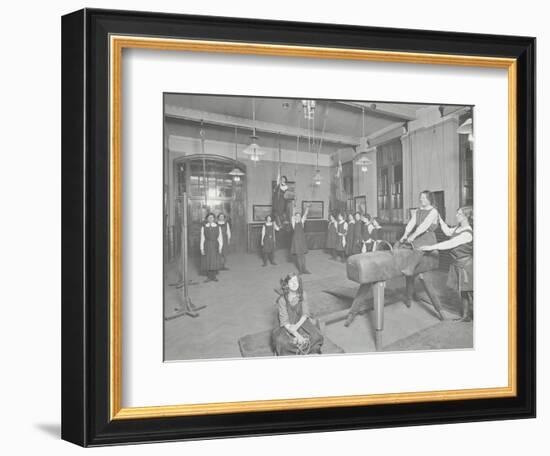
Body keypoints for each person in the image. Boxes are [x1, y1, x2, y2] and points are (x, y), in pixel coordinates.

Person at [419, 206, 474, 321]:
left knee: (470, 291)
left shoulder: (467, 233)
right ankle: (466, 316)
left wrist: (431, 247)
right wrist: (439, 218)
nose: (456, 215)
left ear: (466, 217)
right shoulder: (458, 228)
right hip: (458, 264)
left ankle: (473, 314)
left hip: (466, 265)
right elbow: (447, 231)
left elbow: (449, 244)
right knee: (463, 291)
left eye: (459, 214)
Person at [394, 190, 440, 308]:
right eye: (420, 198)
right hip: (417, 236)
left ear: (430, 199)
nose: (421, 200)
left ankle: (409, 268)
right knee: (403, 246)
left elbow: (424, 226)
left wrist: (413, 236)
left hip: (428, 237)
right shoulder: (418, 211)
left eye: (424, 198)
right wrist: (405, 235)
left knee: (418, 249)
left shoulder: (433, 211)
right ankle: (408, 297)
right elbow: (411, 223)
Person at [272, 273, 324, 356]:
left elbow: (305, 313)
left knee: (316, 336)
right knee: (283, 342)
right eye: (291, 281)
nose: (294, 284)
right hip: (288, 325)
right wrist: (298, 335)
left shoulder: (303, 294)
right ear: (287, 284)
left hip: (301, 321)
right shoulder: (282, 300)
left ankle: (312, 352)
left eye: (296, 281)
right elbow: (285, 322)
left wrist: (296, 326)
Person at [200, 213, 223, 282]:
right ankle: (209, 277)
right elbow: (202, 238)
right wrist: (201, 248)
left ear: (214, 219)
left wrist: (220, 247)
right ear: (207, 219)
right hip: (206, 245)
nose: (210, 219)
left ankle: (214, 276)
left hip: (215, 245)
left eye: (212, 217)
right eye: (209, 217)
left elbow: (220, 238)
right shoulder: (204, 227)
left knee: (214, 260)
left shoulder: (217, 227)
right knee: (208, 260)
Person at [290, 206, 310, 274]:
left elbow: (305, 215)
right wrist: (294, 207)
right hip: (296, 241)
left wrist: (307, 208)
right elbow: (292, 215)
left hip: (302, 240)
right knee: (298, 256)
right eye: (297, 216)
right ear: (295, 217)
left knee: (303, 256)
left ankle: (305, 269)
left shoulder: (302, 222)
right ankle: (300, 270)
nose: (298, 217)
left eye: (299, 216)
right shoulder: (293, 222)